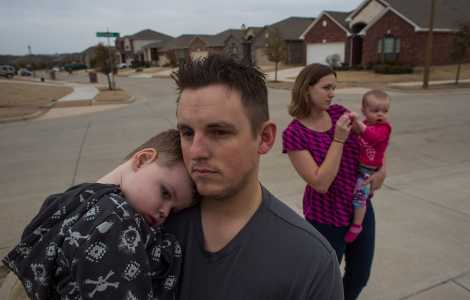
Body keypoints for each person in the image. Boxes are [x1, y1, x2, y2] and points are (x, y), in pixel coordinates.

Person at [165, 55, 343, 299]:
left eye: (218, 132)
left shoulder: (310, 261)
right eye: (187, 132)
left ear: (265, 138)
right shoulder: (155, 225)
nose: (196, 151)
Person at [2, 129, 195, 300]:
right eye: (165, 193)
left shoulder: (73, 199)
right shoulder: (114, 220)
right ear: (142, 160)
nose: (165, 212)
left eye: (174, 211)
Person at [282, 63, 386, 300]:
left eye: (334, 88)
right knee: (324, 281)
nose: (332, 93)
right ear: (307, 89)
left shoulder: (340, 113)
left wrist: (381, 171)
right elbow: (320, 183)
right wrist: (338, 139)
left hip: (359, 208)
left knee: (360, 275)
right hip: (325, 218)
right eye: (326, 87)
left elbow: (375, 143)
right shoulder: (294, 134)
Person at [345, 90, 392, 243]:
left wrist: (358, 125)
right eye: (375, 111)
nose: (380, 115)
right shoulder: (365, 124)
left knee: (359, 197)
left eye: (384, 111)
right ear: (364, 110)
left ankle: (357, 225)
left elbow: (373, 137)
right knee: (356, 192)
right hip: (358, 166)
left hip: (368, 170)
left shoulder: (384, 128)